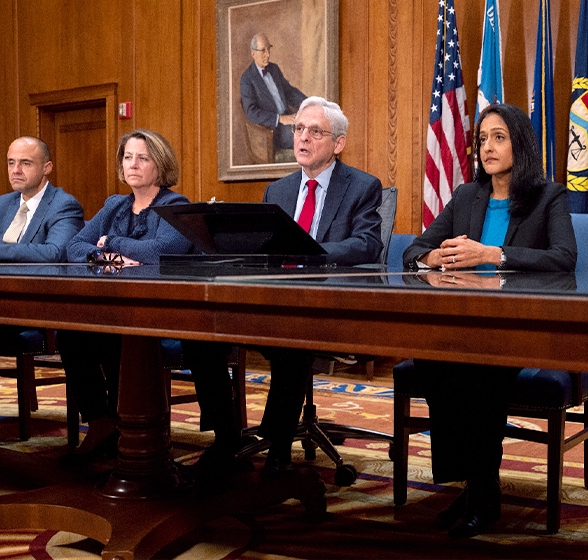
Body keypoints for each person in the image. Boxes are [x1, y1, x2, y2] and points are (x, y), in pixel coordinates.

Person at [403, 103, 576, 538]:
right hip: (464, 325)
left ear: (520, 144)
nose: (487, 147)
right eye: (482, 139)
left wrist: (492, 254)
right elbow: (412, 250)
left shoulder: (547, 196)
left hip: (521, 327)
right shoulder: (466, 196)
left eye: (498, 137)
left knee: (477, 373)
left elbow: (563, 258)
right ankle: (476, 482)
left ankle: (482, 492)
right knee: (430, 359)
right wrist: (434, 256)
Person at [186, 96, 382, 476]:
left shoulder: (361, 186)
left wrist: (308, 251)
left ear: (337, 143)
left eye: (315, 131)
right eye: (298, 129)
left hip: (324, 306)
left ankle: (277, 448)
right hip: (270, 302)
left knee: (292, 342)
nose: (303, 138)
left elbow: (367, 244)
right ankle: (227, 436)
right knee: (200, 335)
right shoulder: (277, 191)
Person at [58, 129, 192, 461]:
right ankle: (102, 423)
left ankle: (134, 433)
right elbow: (74, 246)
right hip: (115, 309)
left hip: (160, 313)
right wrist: (109, 257)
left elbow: (164, 251)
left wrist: (111, 244)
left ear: (159, 165)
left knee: (122, 338)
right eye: (128, 157)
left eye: (142, 158)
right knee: (71, 333)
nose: (132, 164)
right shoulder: (115, 205)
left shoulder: (175, 205)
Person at [0, 136, 84, 457]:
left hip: (40, 312)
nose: (15, 170)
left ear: (47, 168)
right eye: (10, 162)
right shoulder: (1, 205)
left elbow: (54, 252)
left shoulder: (63, 205)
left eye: (25, 163)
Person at [240, 33, 307, 153]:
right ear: (253, 53)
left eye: (268, 48)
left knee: (317, 128)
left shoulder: (274, 69)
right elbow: (251, 113)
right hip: (273, 131)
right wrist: (280, 118)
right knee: (308, 138)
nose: (268, 54)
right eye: (263, 51)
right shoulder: (247, 79)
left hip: (289, 117)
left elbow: (289, 92)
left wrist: (309, 103)